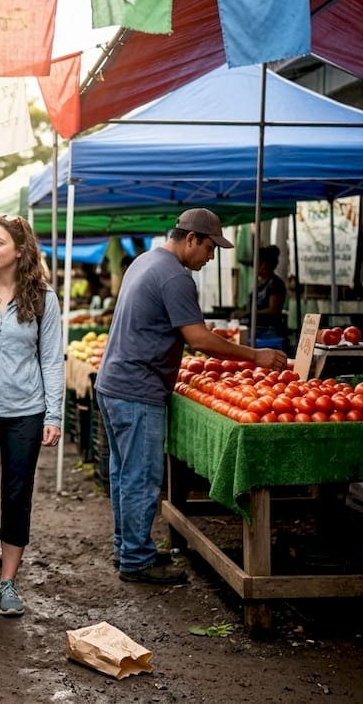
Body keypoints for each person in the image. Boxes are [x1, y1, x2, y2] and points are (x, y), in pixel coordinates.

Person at [98, 208, 287, 585]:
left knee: (125, 474)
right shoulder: (175, 277)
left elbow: (173, 327)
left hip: (114, 382)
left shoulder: (146, 261)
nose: (212, 256)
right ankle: (136, 560)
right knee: (141, 477)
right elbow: (197, 340)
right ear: (190, 239)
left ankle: (128, 548)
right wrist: (256, 356)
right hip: (138, 388)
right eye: (210, 248)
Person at [0, 214, 63, 618]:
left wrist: (53, 414)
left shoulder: (42, 299)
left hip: (26, 411)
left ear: (20, 250)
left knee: (17, 496)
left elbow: (52, 360)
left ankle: (8, 582)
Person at [232, 244, 287, 345]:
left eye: (258, 263)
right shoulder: (260, 284)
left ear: (266, 265)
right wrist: (242, 310)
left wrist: (249, 313)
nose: (255, 268)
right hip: (257, 330)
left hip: (269, 333)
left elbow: (273, 310)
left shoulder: (275, 284)